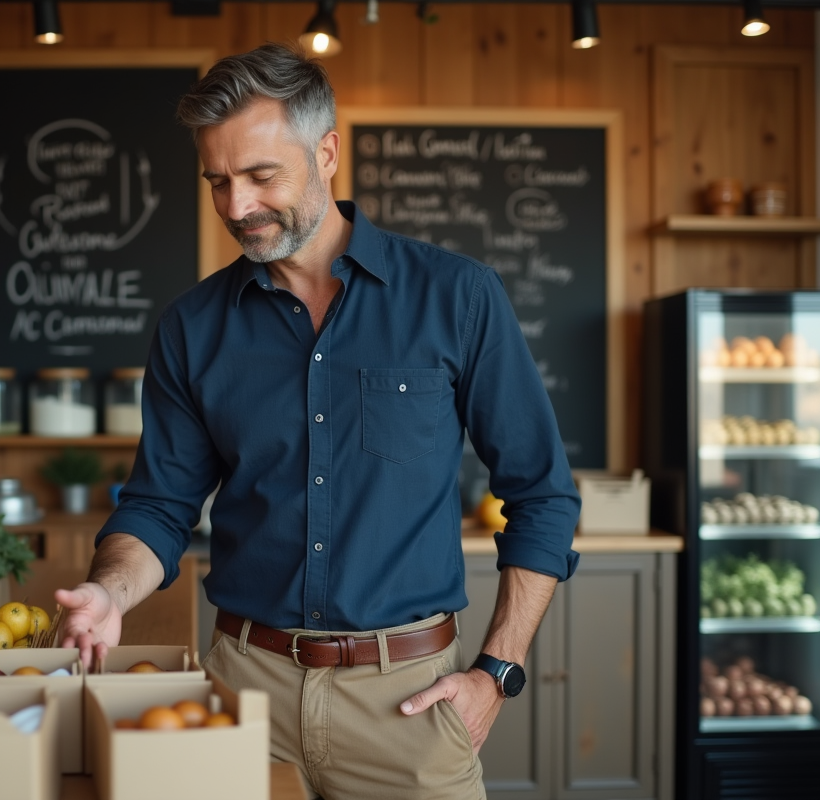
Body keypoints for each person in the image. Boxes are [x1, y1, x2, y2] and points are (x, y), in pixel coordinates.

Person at [56, 42, 580, 800]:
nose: (237, 207)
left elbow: (543, 495)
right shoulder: (191, 327)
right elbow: (160, 505)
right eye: (217, 182)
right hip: (241, 691)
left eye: (262, 175)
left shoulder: (458, 297)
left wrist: (496, 672)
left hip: (409, 705)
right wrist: (111, 591)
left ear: (327, 151)